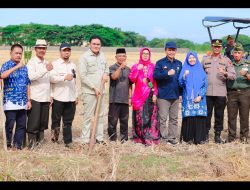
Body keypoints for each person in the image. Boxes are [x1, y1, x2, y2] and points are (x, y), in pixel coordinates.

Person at [201, 39, 236, 144]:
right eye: (214, 46)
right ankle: (205, 135)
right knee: (206, 114)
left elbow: (233, 76)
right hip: (207, 92)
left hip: (220, 92)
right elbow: (199, 73)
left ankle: (217, 135)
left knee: (219, 115)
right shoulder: (205, 59)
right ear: (212, 47)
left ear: (221, 48)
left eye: (218, 47)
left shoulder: (226, 60)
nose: (216, 48)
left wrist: (225, 73)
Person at [0, 44, 31, 150]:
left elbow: (27, 84)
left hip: (22, 101)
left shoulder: (24, 67)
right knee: (10, 125)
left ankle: (18, 145)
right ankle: (8, 144)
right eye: (16, 53)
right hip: (10, 101)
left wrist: (28, 100)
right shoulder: (6, 65)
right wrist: (16, 67)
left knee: (21, 125)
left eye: (20, 53)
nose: (18, 55)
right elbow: (2, 76)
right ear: (11, 53)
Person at [79, 35, 109, 144]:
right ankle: (85, 140)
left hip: (101, 91)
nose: (96, 46)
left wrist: (106, 74)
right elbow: (83, 76)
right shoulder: (84, 57)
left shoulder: (103, 56)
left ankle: (99, 138)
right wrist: (94, 88)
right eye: (94, 44)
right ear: (90, 44)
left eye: (98, 44)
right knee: (88, 116)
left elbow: (107, 69)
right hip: (90, 92)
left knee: (100, 116)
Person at [129, 47, 160, 145]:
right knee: (139, 118)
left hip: (150, 95)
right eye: (144, 53)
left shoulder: (153, 66)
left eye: (147, 53)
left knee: (150, 117)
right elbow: (132, 80)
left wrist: (155, 93)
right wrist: (137, 70)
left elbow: (154, 83)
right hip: (138, 96)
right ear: (141, 54)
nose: (145, 55)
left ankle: (149, 137)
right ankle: (139, 138)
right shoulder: (135, 66)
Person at [153, 41, 182, 145]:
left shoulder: (179, 63)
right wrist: (167, 73)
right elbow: (155, 76)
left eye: (173, 50)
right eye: (169, 50)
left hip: (175, 95)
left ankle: (172, 137)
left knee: (174, 119)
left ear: (176, 51)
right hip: (163, 96)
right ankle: (164, 138)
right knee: (163, 118)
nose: (171, 52)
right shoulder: (160, 63)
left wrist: (180, 94)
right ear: (165, 50)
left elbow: (180, 80)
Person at [26, 39, 53, 149]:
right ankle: (32, 145)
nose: (42, 50)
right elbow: (31, 77)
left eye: (44, 48)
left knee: (42, 122)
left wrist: (51, 95)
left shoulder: (46, 62)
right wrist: (45, 69)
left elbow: (49, 80)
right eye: (40, 48)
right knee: (34, 122)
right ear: (35, 49)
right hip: (35, 97)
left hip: (45, 97)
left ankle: (40, 143)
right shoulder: (32, 62)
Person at [50, 43, 78, 148]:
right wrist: (64, 77)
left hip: (70, 97)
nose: (66, 52)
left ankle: (68, 141)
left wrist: (76, 95)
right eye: (64, 50)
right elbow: (51, 79)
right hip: (58, 97)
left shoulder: (73, 65)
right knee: (56, 120)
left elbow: (75, 81)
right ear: (60, 52)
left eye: (68, 50)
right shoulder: (55, 64)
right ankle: (54, 139)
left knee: (68, 121)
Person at [179, 51, 208, 144]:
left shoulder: (200, 70)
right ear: (187, 59)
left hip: (200, 99)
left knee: (199, 117)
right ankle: (188, 138)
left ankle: (199, 139)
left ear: (196, 58)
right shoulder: (184, 69)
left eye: (193, 57)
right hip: (188, 99)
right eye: (190, 58)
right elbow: (180, 84)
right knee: (189, 117)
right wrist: (184, 76)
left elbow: (205, 84)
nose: (192, 59)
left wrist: (200, 95)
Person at [226, 43, 250, 144]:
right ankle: (231, 137)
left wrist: (247, 74)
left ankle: (244, 137)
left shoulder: (247, 64)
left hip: (245, 93)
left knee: (244, 116)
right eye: (235, 52)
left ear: (242, 54)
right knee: (231, 116)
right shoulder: (229, 64)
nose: (236, 54)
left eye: (238, 52)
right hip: (231, 93)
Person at [108, 48, 132, 143]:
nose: (121, 58)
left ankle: (124, 139)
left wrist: (130, 97)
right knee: (112, 121)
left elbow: (130, 85)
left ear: (126, 57)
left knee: (124, 121)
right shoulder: (112, 67)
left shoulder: (129, 69)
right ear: (116, 57)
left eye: (123, 56)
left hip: (125, 99)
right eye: (119, 56)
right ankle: (112, 138)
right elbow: (114, 77)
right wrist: (120, 67)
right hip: (114, 99)